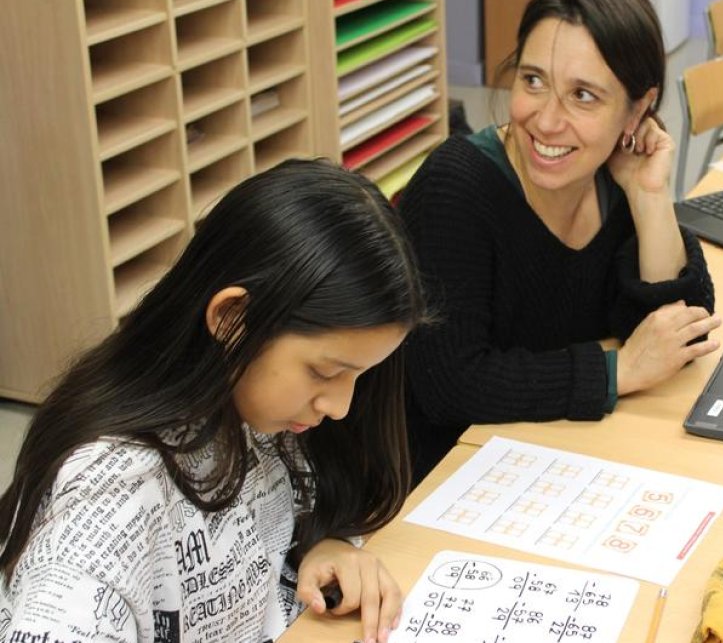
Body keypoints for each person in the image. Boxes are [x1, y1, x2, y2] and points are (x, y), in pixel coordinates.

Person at [0, 160, 429, 643]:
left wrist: (325, 548)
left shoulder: (263, 412)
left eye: (361, 376)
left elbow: (300, 516)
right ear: (231, 319)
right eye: (325, 372)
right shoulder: (113, 489)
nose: (340, 406)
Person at [398, 0, 721, 482]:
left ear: (637, 109)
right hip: (447, 474)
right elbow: (450, 383)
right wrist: (617, 371)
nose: (546, 121)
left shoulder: (613, 175)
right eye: (533, 81)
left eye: (583, 96)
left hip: (557, 452)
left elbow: (680, 331)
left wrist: (648, 196)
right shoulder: (456, 187)